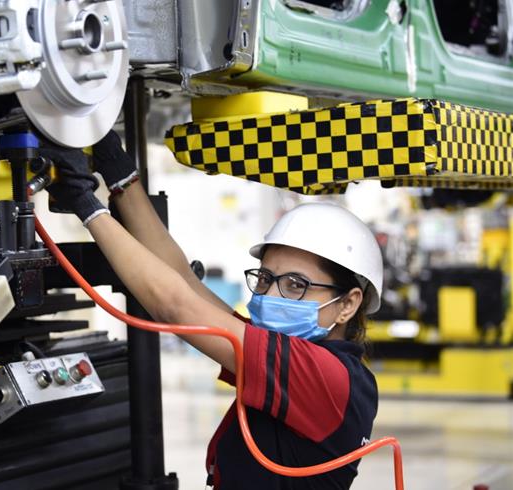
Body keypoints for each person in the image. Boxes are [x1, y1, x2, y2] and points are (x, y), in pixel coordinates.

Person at [40, 130, 383, 490]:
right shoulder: (308, 365)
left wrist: (87, 206)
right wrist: (121, 175)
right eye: (266, 278)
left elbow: (175, 304)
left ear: (348, 304)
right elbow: (185, 281)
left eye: (296, 285)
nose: (270, 295)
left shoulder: (325, 377)